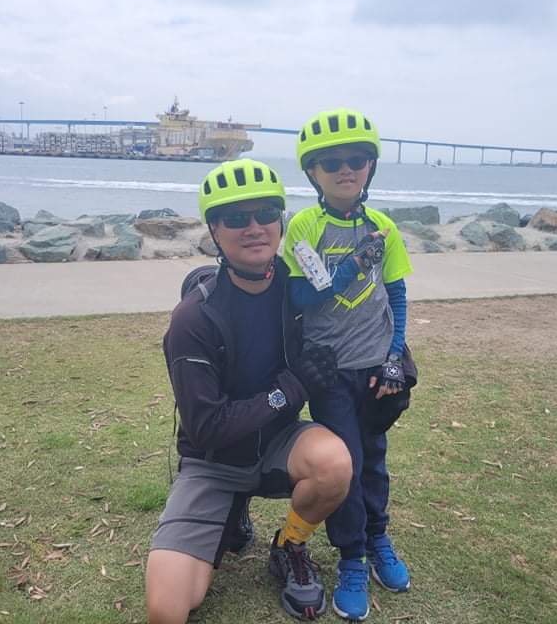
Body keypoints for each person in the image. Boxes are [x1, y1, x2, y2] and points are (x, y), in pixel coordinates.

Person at [146, 158, 353, 623]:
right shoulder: (193, 319)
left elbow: (354, 319)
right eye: (237, 218)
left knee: (335, 462)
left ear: (282, 222)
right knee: (168, 609)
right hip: (212, 462)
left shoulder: (296, 285)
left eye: (266, 214)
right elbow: (207, 429)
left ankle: (289, 545)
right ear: (215, 231)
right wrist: (291, 388)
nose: (255, 227)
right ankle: (230, 512)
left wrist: (397, 361)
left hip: (279, 443)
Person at [283, 108, 418, 621]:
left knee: (375, 457)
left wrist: (392, 357)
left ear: (370, 167)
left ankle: (379, 538)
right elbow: (299, 294)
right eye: (331, 162)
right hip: (330, 371)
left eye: (357, 159)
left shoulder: (384, 227)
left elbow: (397, 295)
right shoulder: (304, 225)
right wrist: (345, 272)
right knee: (351, 463)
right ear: (313, 173)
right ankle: (353, 559)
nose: (346, 169)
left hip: (374, 367)